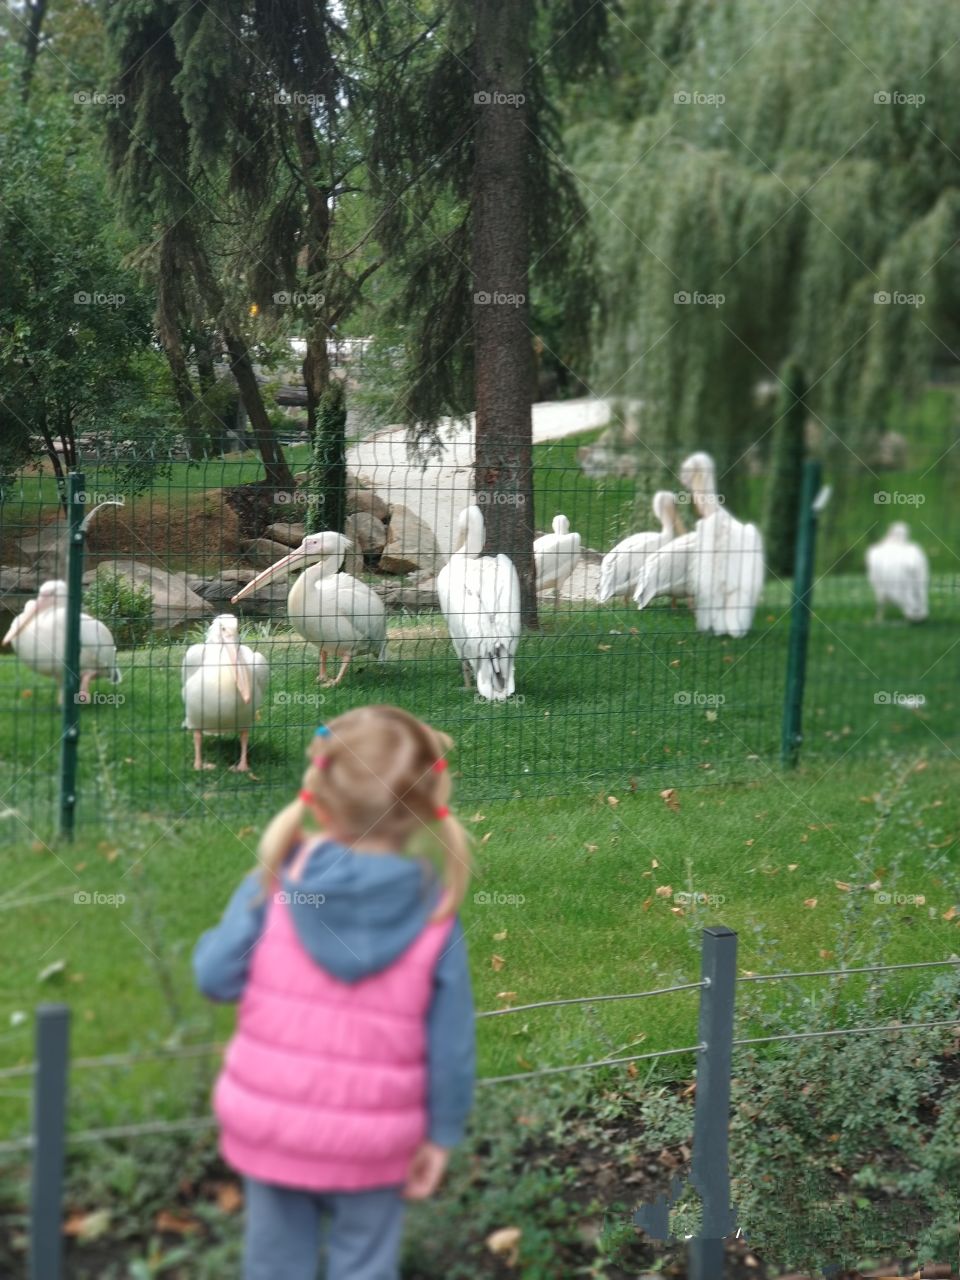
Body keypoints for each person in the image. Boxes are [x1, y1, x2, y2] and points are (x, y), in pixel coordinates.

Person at [194, 706, 475, 1280]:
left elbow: (214, 977)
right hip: (376, 1143)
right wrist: (441, 1136)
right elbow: (451, 1049)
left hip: (273, 1128)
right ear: (422, 809)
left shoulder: (272, 884)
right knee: (365, 1267)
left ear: (318, 798)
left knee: (274, 1267)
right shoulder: (435, 916)